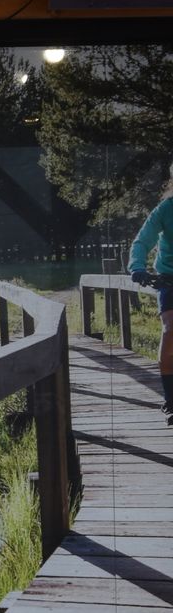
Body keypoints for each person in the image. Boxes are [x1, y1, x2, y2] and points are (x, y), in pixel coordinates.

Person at [128, 165, 173, 426]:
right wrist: (137, 267)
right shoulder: (166, 209)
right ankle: (170, 400)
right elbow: (143, 240)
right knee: (170, 330)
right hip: (170, 281)